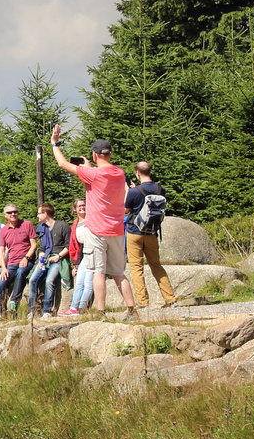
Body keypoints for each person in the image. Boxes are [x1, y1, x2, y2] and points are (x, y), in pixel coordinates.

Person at [51, 126, 138, 320]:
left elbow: (63, 163)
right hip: (116, 229)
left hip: (96, 230)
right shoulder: (119, 173)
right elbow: (102, 175)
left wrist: (55, 143)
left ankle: (101, 312)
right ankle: (132, 310)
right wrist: (89, 165)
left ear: (94, 154)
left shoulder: (93, 175)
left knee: (98, 272)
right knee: (118, 273)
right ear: (110, 154)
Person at [125, 161, 177, 309]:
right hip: (152, 232)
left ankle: (143, 304)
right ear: (150, 171)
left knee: (136, 268)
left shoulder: (134, 191)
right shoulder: (161, 190)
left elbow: (126, 210)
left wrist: (129, 191)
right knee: (156, 265)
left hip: (134, 232)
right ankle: (170, 299)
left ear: (137, 173)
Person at [30, 203, 70, 319]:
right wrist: (41, 255)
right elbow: (42, 247)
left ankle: (47, 310)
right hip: (45, 258)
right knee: (33, 279)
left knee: (49, 281)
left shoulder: (62, 226)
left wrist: (58, 256)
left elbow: (68, 245)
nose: (37, 216)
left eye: (39, 213)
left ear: (45, 213)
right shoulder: (41, 228)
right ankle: (32, 309)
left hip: (58, 258)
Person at [0, 204, 38, 317]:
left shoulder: (27, 224)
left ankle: (14, 301)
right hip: (11, 264)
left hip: (27, 261)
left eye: (15, 212)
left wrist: (26, 257)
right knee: (0, 285)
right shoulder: (4, 230)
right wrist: (3, 268)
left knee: (20, 273)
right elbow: (1, 250)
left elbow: (34, 244)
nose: (13, 214)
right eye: (9, 213)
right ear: (5, 215)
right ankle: (0, 313)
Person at [60, 198, 93, 315]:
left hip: (94, 252)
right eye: (79, 206)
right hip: (84, 254)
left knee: (88, 283)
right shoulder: (75, 224)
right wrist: (76, 265)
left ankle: (82, 308)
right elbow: (75, 246)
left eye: (84, 205)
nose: (82, 207)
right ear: (75, 209)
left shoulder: (92, 219)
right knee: (79, 282)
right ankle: (74, 307)